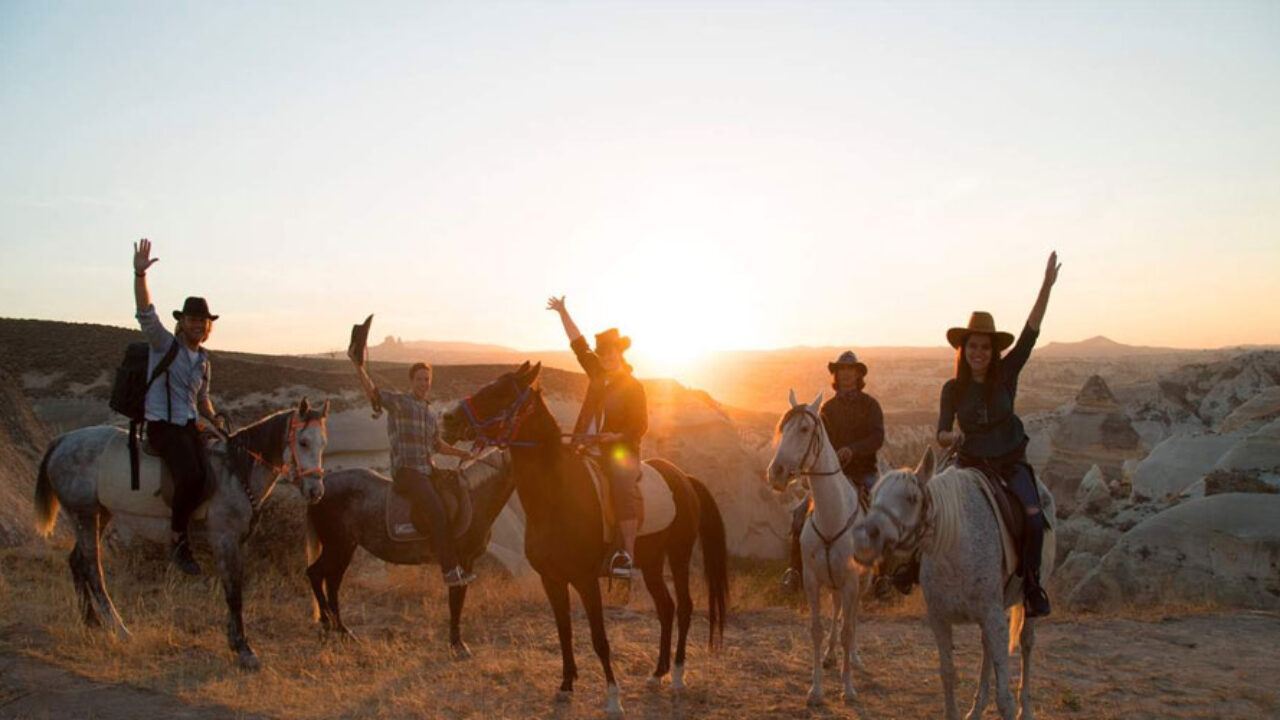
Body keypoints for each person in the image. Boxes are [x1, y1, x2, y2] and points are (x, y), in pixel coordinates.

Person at [937, 251, 1062, 617]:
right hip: (969, 463)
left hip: (1009, 463)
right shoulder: (952, 388)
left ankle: (1032, 585)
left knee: (1034, 516)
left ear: (994, 351)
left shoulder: (1007, 373)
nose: (979, 352)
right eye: (973, 346)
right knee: (931, 509)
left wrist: (1046, 286)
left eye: (985, 347)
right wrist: (950, 439)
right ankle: (918, 573)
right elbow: (941, 431)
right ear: (964, 349)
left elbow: (1031, 332)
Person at [132, 238, 228, 575]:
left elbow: (201, 399)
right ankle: (177, 541)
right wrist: (140, 276)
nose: (198, 325)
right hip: (162, 426)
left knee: (210, 476)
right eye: (192, 319)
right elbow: (146, 313)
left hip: (189, 425)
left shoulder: (203, 359)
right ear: (182, 322)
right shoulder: (164, 345)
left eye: (203, 321)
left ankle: (192, 530)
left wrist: (214, 417)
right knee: (189, 476)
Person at [546, 296, 648, 579]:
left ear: (620, 354)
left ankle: (627, 555)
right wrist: (563, 312)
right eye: (603, 354)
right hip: (585, 444)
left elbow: (640, 425)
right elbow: (578, 343)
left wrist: (615, 436)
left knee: (620, 486)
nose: (606, 357)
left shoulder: (633, 387)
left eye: (611, 353)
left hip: (620, 451)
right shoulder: (596, 372)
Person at [352, 357, 476, 587]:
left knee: (455, 491)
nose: (423, 383)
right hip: (407, 472)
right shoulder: (400, 403)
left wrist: (462, 454)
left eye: (427, 379)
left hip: (428, 469)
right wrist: (358, 366)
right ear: (411, 381)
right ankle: (450, 571)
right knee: (437, 512)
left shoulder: (430, 413)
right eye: (419, 379)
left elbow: (437, 445)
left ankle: (448, 552)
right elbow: (374, 393)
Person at [780, 351, 884, 593]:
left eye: (851, 371)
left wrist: (853, 450)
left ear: (858, 375)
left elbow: (877, 437)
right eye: (842, 371)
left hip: (862, 472)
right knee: (798, 516)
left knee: (879, 515)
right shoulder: (827, 409)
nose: (846, 375)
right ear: (836, 376)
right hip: (831, 475)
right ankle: (795, 571)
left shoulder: (871, 406)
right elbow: (818, 442)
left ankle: (881, 577)